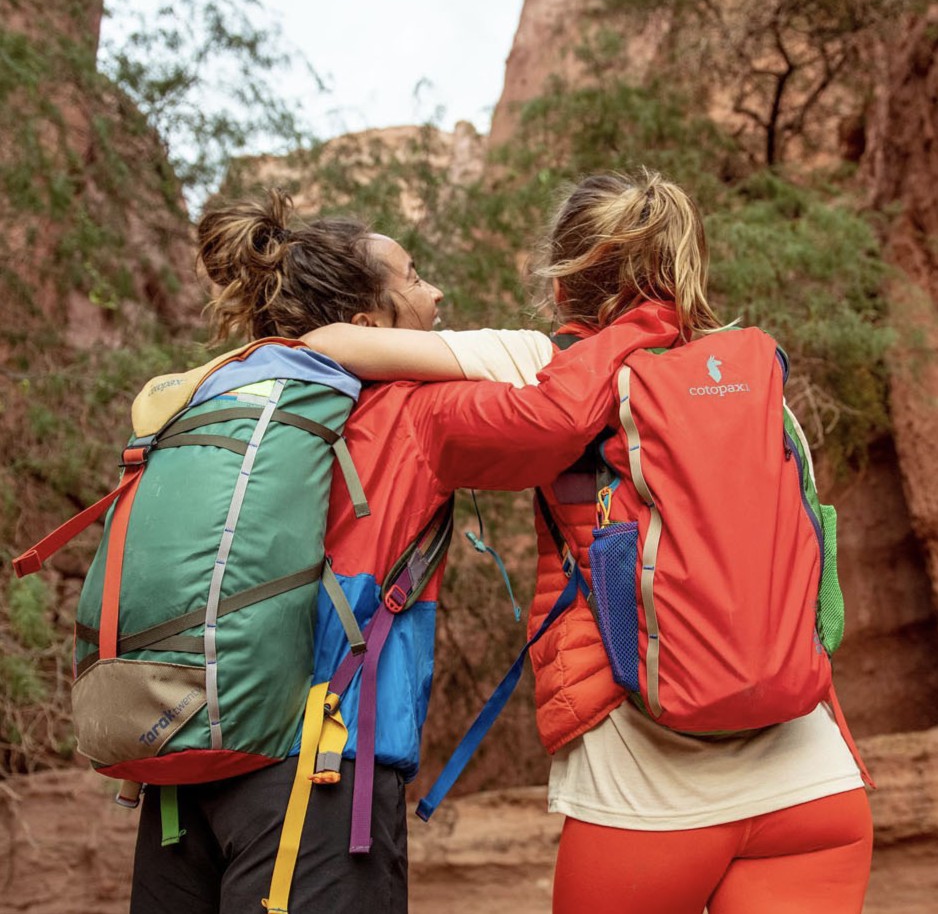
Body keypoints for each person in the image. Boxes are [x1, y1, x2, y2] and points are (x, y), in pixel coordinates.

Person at [302, 169, 874, 914]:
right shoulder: (751, 373)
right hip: (816, 780)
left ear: (566, 287)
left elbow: (384, 393)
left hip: (648, 789)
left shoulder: (550, 373)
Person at [129, 187, 653, 914]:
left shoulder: (222, 399)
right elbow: (557, 419)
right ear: (370, 322)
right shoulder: (413, 412)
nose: (435, 291)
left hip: (179, 767)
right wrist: (635, 328)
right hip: (319, 769)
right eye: (413, 277)